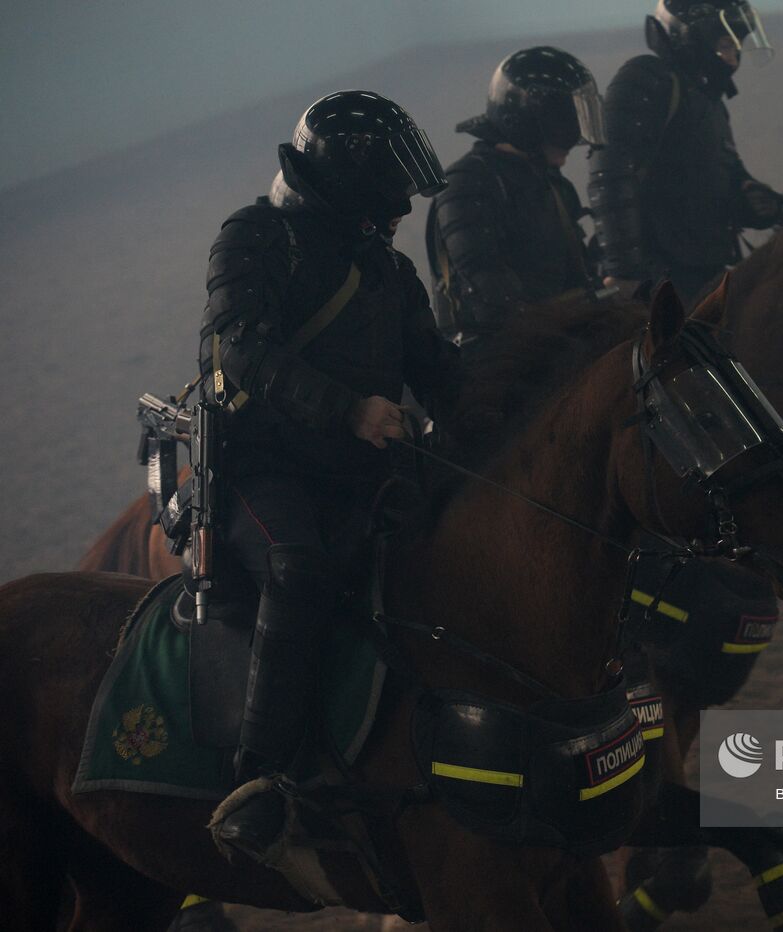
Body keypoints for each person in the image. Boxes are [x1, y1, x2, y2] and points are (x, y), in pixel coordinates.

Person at [200, 90, 463, 860]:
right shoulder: (252, 238)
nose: (404, 209)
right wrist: (350, 410)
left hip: (361, 470)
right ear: (353, 184)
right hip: (263, 469)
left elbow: (440, 369)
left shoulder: (386, 268)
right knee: (300, 567)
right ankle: (261, 781)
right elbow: (238, 350)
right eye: (393, 191)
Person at [588, 0, 783, 305]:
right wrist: (624, 272)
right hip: (658, 276)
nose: (733, 58)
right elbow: (610, 172)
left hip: (703, 272)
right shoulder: (647, 78)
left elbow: (721, 173)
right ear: (690, 38)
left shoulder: (709, 101)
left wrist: (754, 201)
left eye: (737, 45)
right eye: (725, 44)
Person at [426, 46, 607, 341]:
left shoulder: (548, 180)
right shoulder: (466, 184)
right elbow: (495, 304)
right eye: (564, 125)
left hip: (560, 343)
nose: (572, 140)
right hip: (504, 362)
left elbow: (575, 274)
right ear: (524, 120)